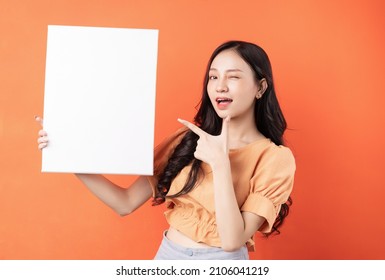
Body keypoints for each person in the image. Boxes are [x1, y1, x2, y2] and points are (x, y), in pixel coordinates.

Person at [36, 40, 296, 260]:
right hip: (167, 255)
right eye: (214, 76)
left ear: (260, 87)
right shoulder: (186, 139)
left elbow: (232, 240)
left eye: (234, 77)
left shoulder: (275, 158)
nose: (220, 86)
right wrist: (66, 154)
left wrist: (220, 163)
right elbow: (124, 203)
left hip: (222, 262)